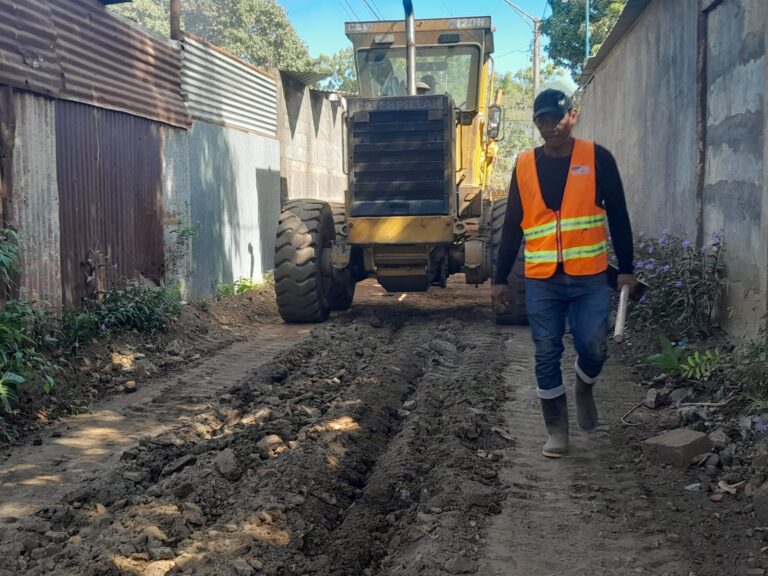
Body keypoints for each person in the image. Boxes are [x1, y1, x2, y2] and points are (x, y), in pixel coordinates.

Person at [491, 88, 638, 458]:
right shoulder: (524, 165)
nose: (551, 125)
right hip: (542, 278)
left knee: (594, 345)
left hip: (590, 276)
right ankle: (556, 429)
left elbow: (619, 216)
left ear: (572, 116)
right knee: (545, 352)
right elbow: (512, 226)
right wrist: (498, 278)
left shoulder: (597, 158)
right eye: (542, 119)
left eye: (557, 117)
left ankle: (584, 385)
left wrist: (627, 269)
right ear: (536, 123)